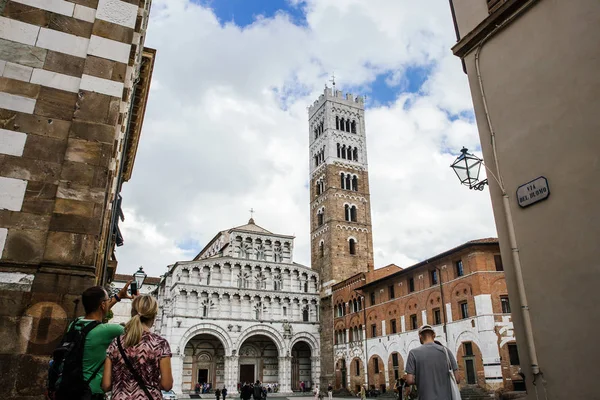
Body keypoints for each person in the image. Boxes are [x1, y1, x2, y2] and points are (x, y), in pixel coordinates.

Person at [59, 283, 132, 400]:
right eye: (108, 300)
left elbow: (97, 313)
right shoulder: (109, 330)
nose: (109, 302)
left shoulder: (75, 324)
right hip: (90, 392)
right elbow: (136, 332)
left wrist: (118, 297)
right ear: (103, 305)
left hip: (68, 388)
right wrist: (139, 304)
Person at [101, 295, 173, 399]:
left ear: (132, 313)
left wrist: (122, 383)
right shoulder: (160, 344)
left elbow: (106, 385)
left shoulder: (115, 343)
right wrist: (151, 385)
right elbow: (167, 385)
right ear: (153, 316)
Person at [404, 324, 460, 400]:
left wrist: (423, 378)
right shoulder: (446, 351)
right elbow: (457, 379)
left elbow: (409, 380)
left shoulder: (413, 353)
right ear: (434, 335)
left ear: (420, 336)